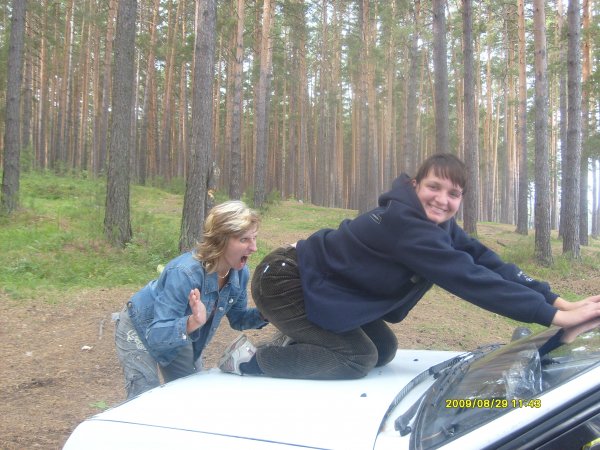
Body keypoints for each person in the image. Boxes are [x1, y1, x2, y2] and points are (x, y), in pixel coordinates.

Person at [217, 153, 600, 380]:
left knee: (383, 349)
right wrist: (552, 318)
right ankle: (250, 361)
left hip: (318, 282)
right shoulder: (406, 226)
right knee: (356, 358)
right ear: (416, 185)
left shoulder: (436, 226)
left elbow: (486, 262)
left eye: (454, 193)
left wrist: (557, 301)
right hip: (285, 282)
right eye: (434, 187)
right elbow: (471, 280)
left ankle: (297, 338)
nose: (442, 199)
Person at [115, 200, 267, 398]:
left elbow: (238, 319)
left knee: (190, 394)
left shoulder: (239, 273)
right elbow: (156, 334)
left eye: (254, 238)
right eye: (244, 239)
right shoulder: (185, 273)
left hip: (182, 332)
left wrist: (269, 312)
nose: (254, 247)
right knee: (145, 398)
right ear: (220, 240)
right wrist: (192, 322)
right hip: (141, 327)